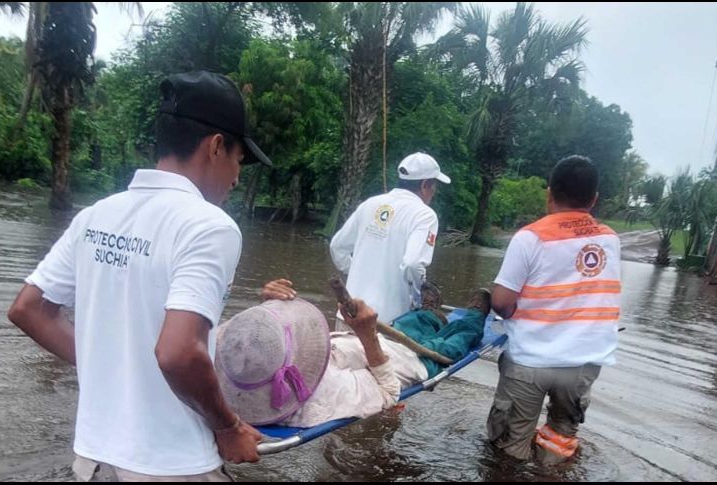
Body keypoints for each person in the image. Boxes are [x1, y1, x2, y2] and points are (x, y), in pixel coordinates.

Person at [7, 70, 273, 481]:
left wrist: (111, 365)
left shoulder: (97, 214)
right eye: (239, 160)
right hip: (171, 465)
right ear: (216, 146)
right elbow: (179, 353)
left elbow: (29, 309)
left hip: (95, 460)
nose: (237, 178)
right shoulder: (209, 226)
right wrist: (228, 426)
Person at [487, 155, 621, 464]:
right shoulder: (610, 240)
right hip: (583, 365)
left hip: (530, 361)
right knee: (559, 444)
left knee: (508, 450)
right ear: (594, 199)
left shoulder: (529, 238)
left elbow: (502, 302)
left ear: (549, 194)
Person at [216, 280, 491, 428]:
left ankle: (430, 312)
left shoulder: (237, 365)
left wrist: (268, 309)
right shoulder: (323, 399)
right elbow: (388, 391)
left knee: (413, 321)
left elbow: (253, 338)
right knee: (457, 339)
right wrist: (367, 335)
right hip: (413, 360)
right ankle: (475, 316)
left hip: (373, 339)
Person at [329, 152, 451, 329]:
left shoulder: (370, 203)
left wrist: (358, 273)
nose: (434, 192)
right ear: (425, 184)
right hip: (386, 324)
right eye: (434, 186)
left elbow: (337, 247)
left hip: (348, 315)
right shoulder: (425, 215)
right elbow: (412, 264)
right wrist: (418, 299)